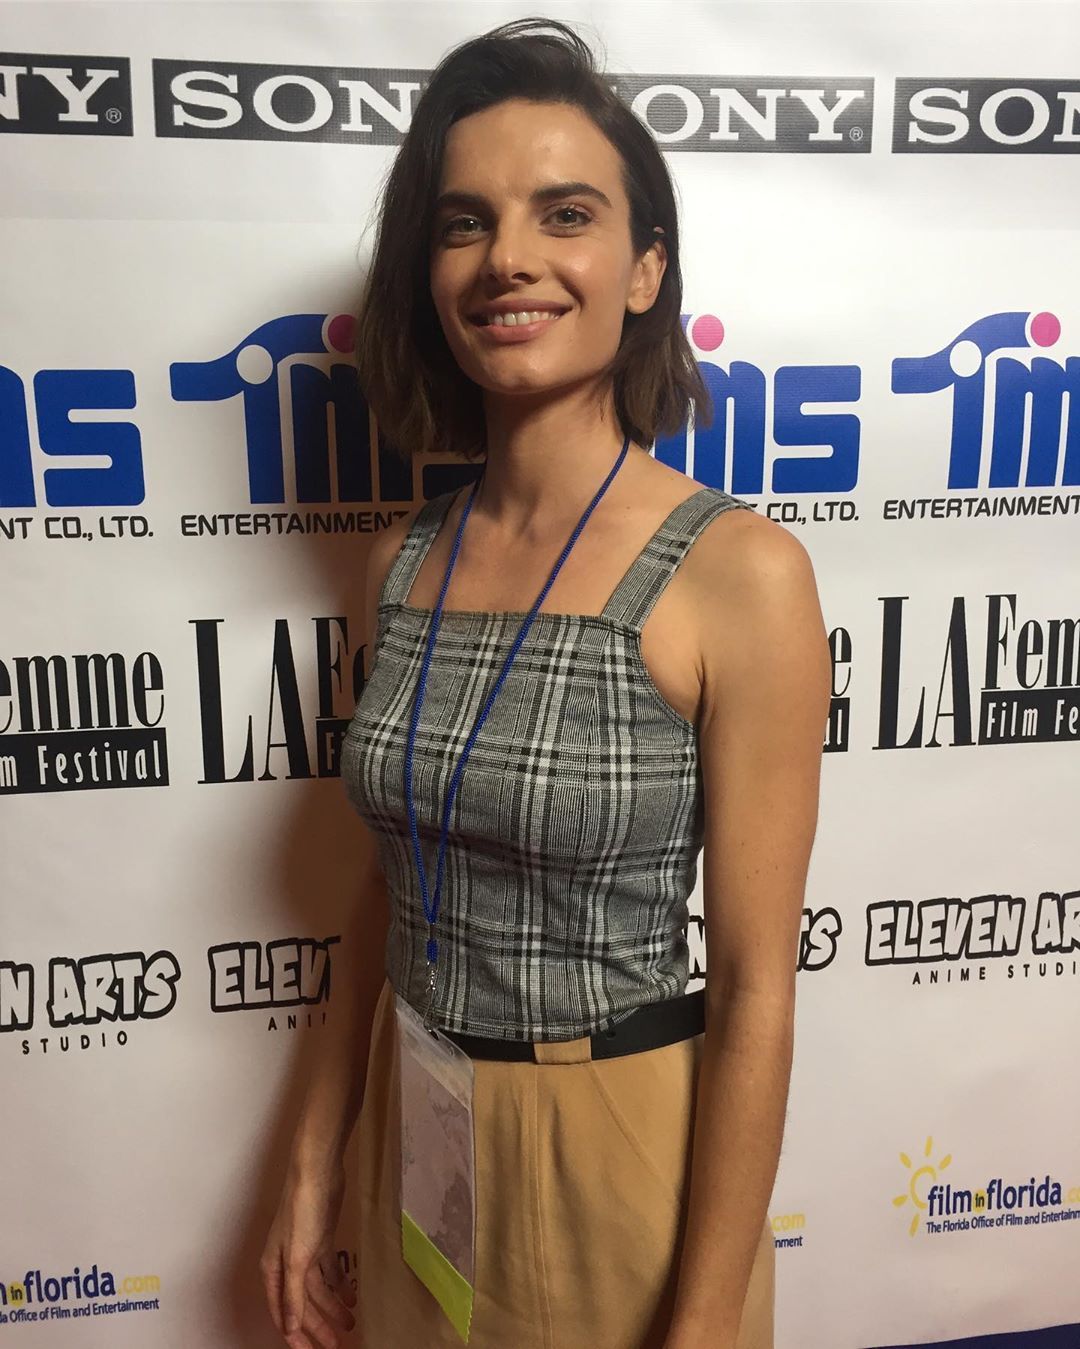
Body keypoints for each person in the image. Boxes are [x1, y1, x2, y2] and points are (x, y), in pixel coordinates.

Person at [260, 17, 831, 1349]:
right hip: (419, 1125)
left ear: (644, 269)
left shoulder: (740, 573)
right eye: (465, 223)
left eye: (564, 214)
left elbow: (757, 988)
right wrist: (311, 1167)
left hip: (618, 1142)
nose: (507, 257)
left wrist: (701, 1323)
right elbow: (384, 889)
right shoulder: (402, 558)